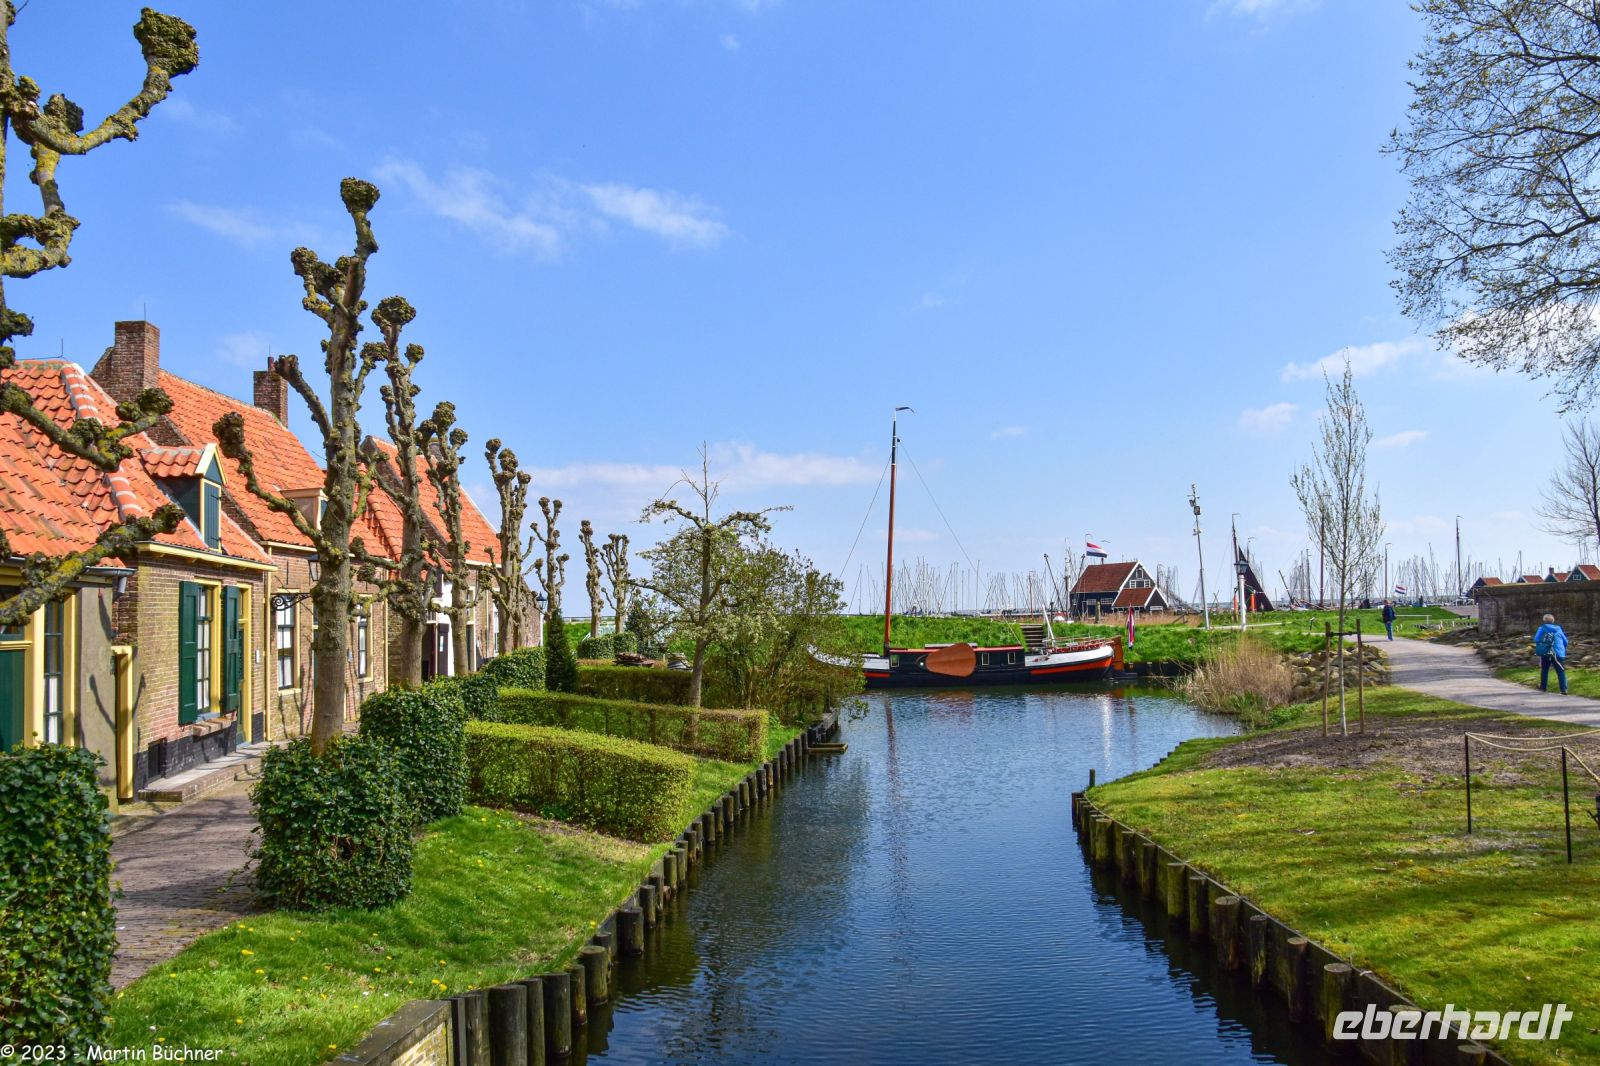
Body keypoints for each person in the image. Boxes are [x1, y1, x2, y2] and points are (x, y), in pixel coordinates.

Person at [1534, 613, 1569, 694]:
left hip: (1546, 652)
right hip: (1558, 653)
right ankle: (1564, 689)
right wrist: (1561, 648)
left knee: (1544, 670)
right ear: (1553, 621)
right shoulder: (1558, 629)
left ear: (1544, 620)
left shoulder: (1542, 628)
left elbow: (1536, 639)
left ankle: (1543, 688)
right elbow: (1566, 641)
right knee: (1560, 671)